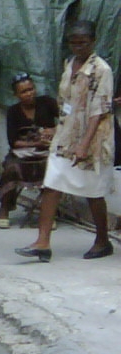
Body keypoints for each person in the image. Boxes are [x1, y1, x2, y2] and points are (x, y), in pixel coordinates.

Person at [16, 20, 115, 262]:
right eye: (74, 42)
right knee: (52, 184)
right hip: (65, 137)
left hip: (92, 140)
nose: (78, 47)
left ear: (93, 42)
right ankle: (42, 243)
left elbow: (98, 111)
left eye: (83, 43)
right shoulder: (69, 64)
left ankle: (103, 240)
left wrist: (84, 144)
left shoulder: (102, 70)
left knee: (93, 192)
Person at [0, 73, 58, 229]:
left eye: (31, 89)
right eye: (24, 92)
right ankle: (4, 209)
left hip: (46, 151)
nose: (29, 93)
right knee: (10, 169)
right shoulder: (13, 111)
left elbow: (66, 121)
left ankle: (47, 213)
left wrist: (53, 130)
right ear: (16, 95)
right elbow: (14, 142)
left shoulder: (47, 103)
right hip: (23, 152)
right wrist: (36, 142)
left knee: (54, 169)